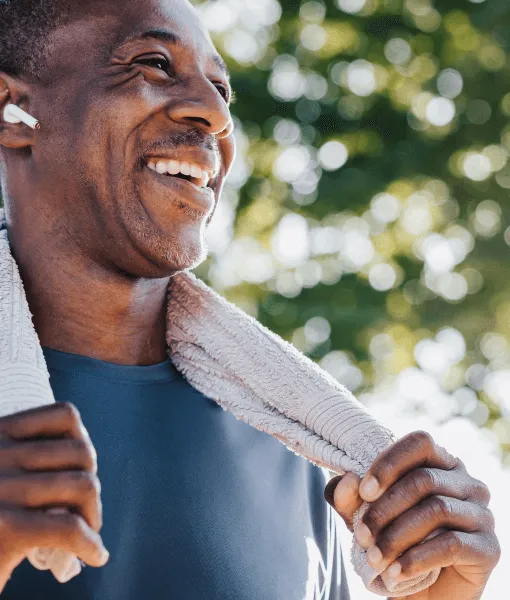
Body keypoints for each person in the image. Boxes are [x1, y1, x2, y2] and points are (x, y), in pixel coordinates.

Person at [0, 1, 500, 599]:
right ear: (15, 111)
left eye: (221, 91)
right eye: (153, 64)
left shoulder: (299, 452)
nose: (213, 115)